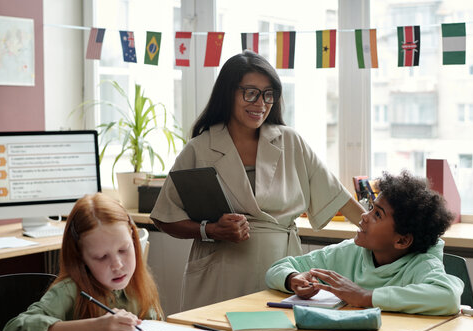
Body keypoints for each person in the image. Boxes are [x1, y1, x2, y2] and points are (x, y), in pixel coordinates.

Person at [150, 50, 365, 311]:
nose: (261, 103)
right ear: (228, 92)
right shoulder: (200, 148)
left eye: (268, 94)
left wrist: (382, 234)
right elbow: (164, 216)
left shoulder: (290, 142)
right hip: (221, 271)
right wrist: (210, 230)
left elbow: (339, 197)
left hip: (284, 271)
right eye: (250, 92)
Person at [265, 171, 464, 315]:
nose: (364, 216)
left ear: (402, 240)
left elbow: (448, 297)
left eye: (377, 214)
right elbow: (278, 268)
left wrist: (364, 297)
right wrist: (293, 279)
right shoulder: (348, 252)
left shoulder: (422, 265)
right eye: (371, 208)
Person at [2, 193, 163, 331]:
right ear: (81, 258)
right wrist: (93, 328)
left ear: (133, 239)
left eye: (123, 250)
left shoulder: (138, 284)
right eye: (101, 257)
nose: (117, 265)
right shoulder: (69, 290)